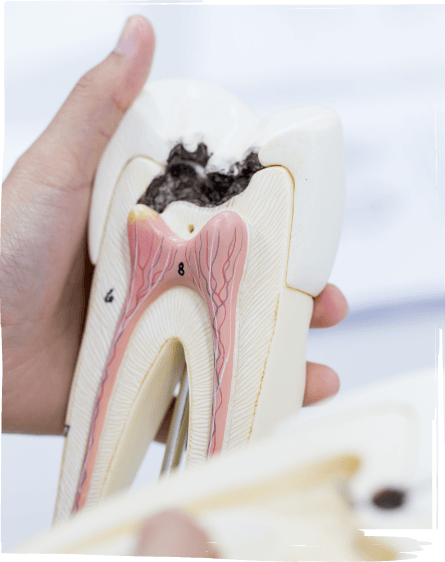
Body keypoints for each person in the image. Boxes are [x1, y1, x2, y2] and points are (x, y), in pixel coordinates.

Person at [0, 15, 348, 557]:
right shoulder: (287, 159)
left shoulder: (290, 162)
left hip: (193, 258)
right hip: (146, 265)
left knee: (223, 488)